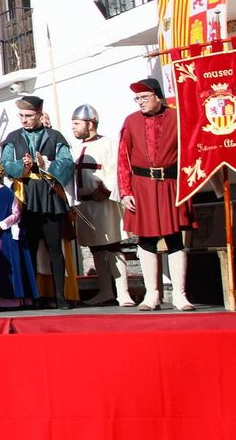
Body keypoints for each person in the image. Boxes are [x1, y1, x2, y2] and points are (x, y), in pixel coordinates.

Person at [118, 76, 193, 311]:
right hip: (142, 186)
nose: (139, 102)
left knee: (173, 238)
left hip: (171, 184)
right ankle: (152, 295)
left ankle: (180, 295)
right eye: (137, 98)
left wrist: (188, 186)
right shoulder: (130, 121)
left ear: (157, 96)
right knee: (147, 239)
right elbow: (123, 158)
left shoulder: (178, 117)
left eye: (144, 97)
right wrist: (125, 191)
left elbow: (191, 151)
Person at [0, 95, 77, 308]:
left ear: (40, 115)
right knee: (30, 247)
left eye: (29, 116)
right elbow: (4, 165)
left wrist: (47, 164)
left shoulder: (55, 136)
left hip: (49, 194)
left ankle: (60, 295)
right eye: (21, 116)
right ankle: (33, 296)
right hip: (26, 195)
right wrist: (22, 167)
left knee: (54, 247)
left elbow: (68, 163)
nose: (24, 120)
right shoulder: (13, 137)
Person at [71, 104, 132, 307]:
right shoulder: (76, 149)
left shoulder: (108, 143)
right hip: (85, 206)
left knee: (112, 245)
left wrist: (104, 190)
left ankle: (123, 293)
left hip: (103, 203)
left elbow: (116, 169)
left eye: (77, 124)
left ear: (90, 123)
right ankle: (105, 291)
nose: (74, 128)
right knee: (96, 249)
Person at [0, 160, 36, 307]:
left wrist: (2, 225)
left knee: (7, 265)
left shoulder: (7, 193)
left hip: (5, 237)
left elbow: (16, 213)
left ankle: (8, 298)